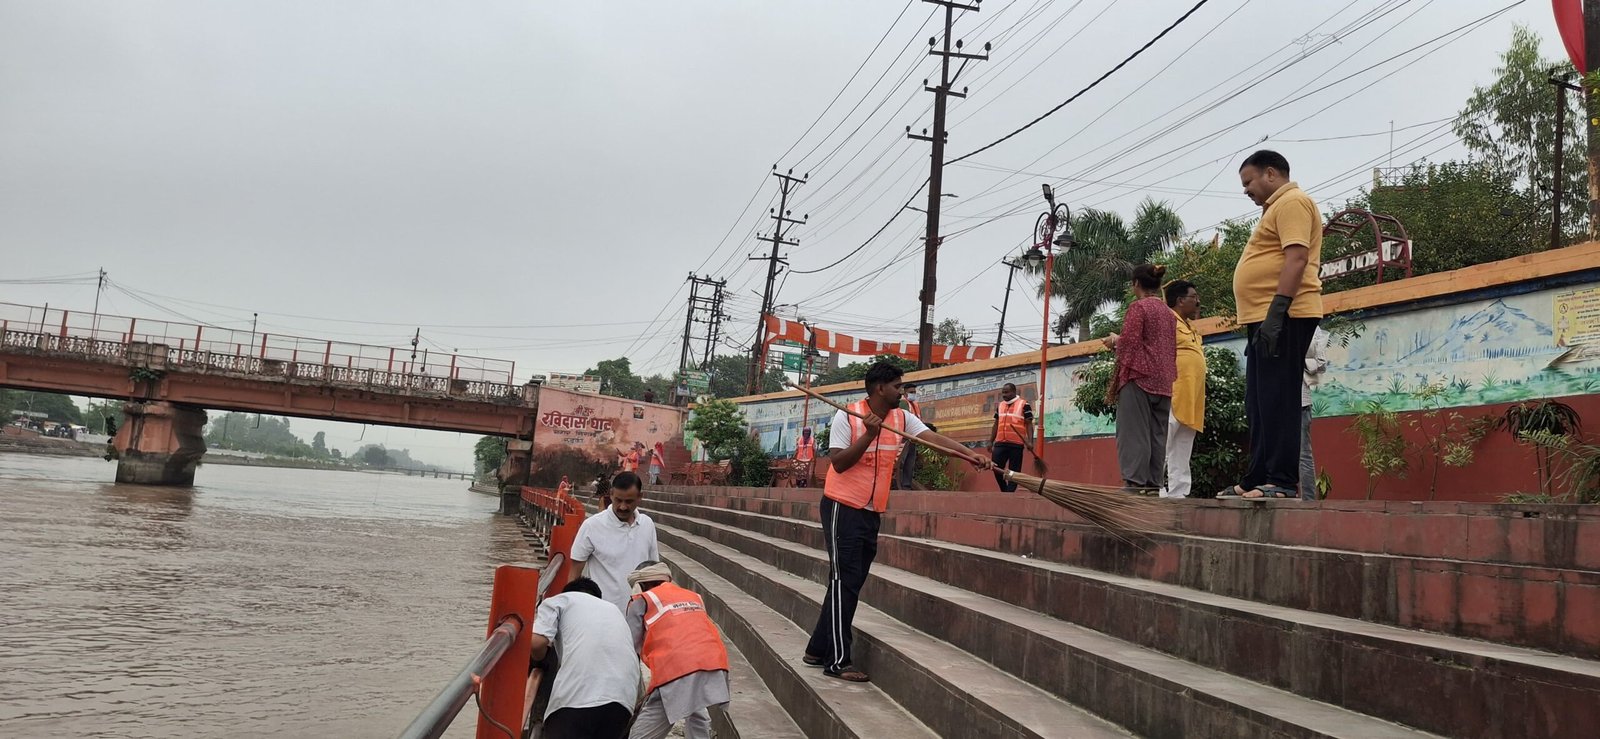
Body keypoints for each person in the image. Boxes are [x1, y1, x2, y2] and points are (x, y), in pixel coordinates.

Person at [802, 361, 991, 682]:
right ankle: (837, 661)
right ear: (880, 388)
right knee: (844, 581)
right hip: (841, 508)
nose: (902, 392)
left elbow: (932, 439)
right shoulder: (847, 416)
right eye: (897, 387)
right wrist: (869, 435)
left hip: (871, 510)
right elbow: (839, 463)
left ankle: (816, 649)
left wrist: (969, 454)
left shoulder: (902, 418)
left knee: (849, 581)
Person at [1220, 150, 1324, 499]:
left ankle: (1280, 481)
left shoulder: (1293, 202)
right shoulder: (1275, 208)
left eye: (1248, 182)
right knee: (1259, 401)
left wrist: (1277, 312)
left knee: (1278, 397)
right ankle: (1257, 477)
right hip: (1265, 318)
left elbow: (1297, 258)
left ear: (1270, 173)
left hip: (1286, 315)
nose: (1246, 190)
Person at [625, 561, 730, 739]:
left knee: (643, 733)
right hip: (713, 662)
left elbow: (629, 646)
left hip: (676, 669)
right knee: (697, 710)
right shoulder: (693, 596)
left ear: (640, 584)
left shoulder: (642, 599)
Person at [530, 577, 641, 739]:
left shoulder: (560, 600)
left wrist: (539, 660)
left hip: (577, 697)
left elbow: (536, 643)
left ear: (567, 592)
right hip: (623, 699)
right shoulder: (614, 610)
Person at [1103, 264, 1177, 492]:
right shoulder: (1168, 313)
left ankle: (1134, 483)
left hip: (1139, 377)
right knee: (1157, 435)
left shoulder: (1139, 307)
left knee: (1134, 432)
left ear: (1136, 284)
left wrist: (1115, 341)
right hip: (1164, 380)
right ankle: (1153, 485)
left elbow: (1130, 344)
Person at [571, 471, 659, 611]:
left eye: (629, 501)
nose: (622, 507)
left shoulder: (647, 525)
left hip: (638, 613)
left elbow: (654, 570)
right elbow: (574, 573)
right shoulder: (592, 526)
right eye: (618, 500)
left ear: (639, 497)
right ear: (611, 494)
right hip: (601, 613)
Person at [1163, 280, 1206, 499]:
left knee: (1183, 444)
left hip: (1193, 396)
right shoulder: (1167, 321)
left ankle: (1179, 493)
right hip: (1173, 392)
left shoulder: (1190, 326)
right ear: (1180, 300)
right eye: (1193, 297)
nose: (1198, 302)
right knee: (1163, 442)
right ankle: (1153, 489)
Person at [1300, 324, 1331, 500]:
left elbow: (1320, 363)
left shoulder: (1311, 327)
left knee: (1303, 453)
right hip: (1277, 399)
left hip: (1300, 400)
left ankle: (1308, 502)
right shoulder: (1273, 322)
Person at [986, 383, 1035, 492]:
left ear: (1014, 392)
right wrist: (990, 441)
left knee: (1014, 471)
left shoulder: (1024, 404)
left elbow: (1029, 424)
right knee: (996, 468)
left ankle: (1010, 492)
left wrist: (1030, 442)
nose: (1004, 395)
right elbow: (996, 423)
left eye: (1007, 392)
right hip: (1000, 443)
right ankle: (1005, 490)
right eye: (1003, 392)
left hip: (1016, 444)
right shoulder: (1000, 405)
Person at [895, 382, 922, 489]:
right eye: (911, 392)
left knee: (910, 463)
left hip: (913, 438)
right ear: (905, 392)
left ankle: (906, 486)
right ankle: (899, 485)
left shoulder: (915, 404)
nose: (913, 394)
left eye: (914, 392)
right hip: (904, 438)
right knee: (901, 462)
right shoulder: (903, 403)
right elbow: (904, 420)